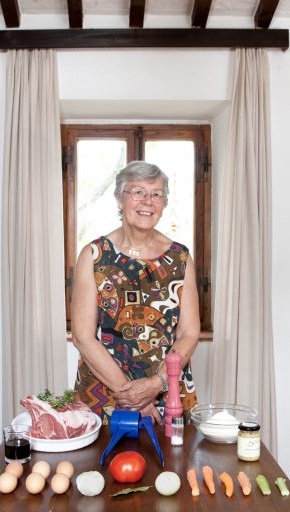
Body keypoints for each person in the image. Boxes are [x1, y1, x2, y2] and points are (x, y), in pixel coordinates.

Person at [72, 161, 200, 424]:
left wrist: (157, 383)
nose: (148, 201)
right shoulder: (93, 256)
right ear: (119, 199)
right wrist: (131, 395)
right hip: (106, 395)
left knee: (172, 452)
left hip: (167, 393)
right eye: (138, 192)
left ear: (163, 203)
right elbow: (83, 337)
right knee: (103, 453)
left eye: (156, 194)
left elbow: (189, 333)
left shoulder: (181, 258)